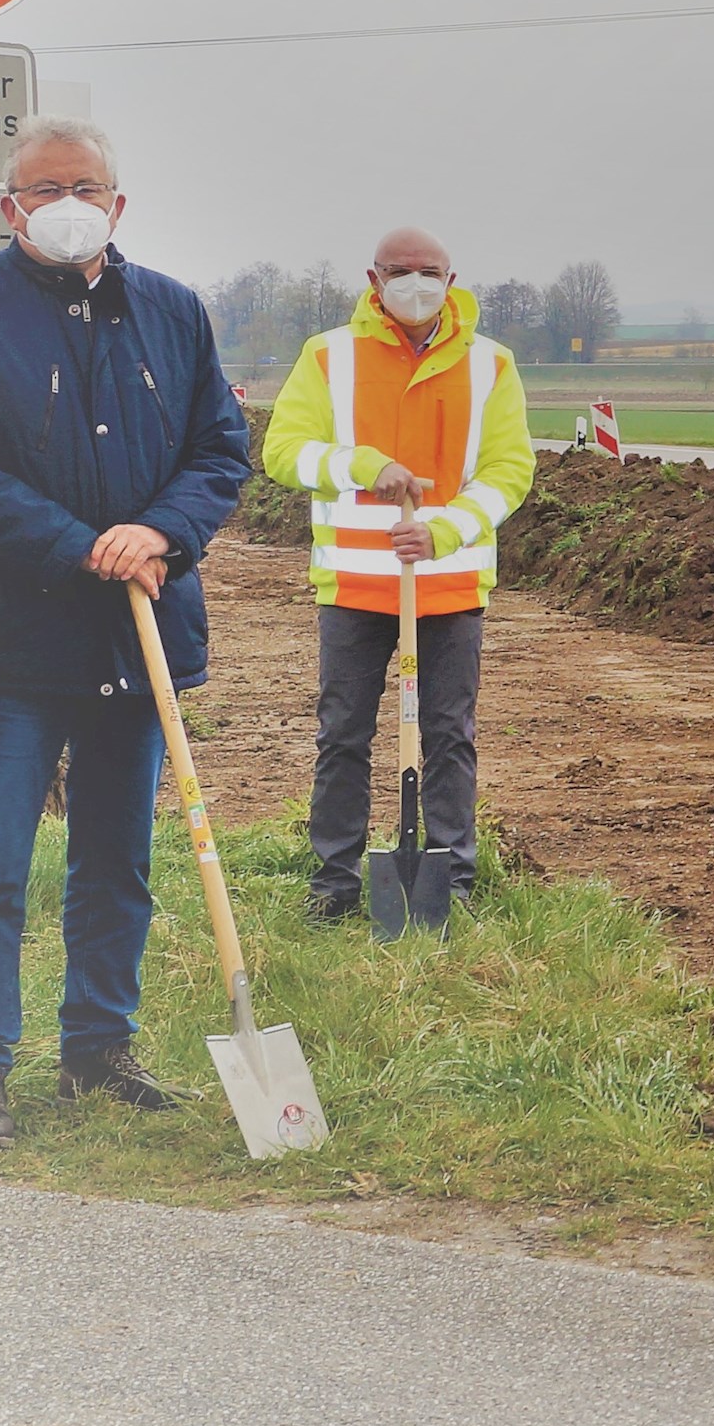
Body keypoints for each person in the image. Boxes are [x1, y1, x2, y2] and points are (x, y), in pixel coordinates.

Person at [0, 120, 253, 1145]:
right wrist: (79, 544)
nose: (65, 202)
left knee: (118, 856)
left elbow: (219, 452)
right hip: (13, 643)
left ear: (117, 203)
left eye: (84, 185)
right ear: (9, 209)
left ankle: (98, 1049)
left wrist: (160, 533)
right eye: (42, 188)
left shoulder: (174, 314)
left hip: (137, 636)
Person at [261, 226, 536, 924]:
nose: (416, 283)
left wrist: (443, 529)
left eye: (429, 271)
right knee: (343, 735)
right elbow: (284, 451)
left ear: (451, 277)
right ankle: (335, 882)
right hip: (354, 588)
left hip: (446, 588)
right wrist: (365, 465)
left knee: (449, 735)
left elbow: (510, 471)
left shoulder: (490, 366)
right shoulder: (329, 357)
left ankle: (454, 884)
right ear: (373, 279)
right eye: (400, 271)